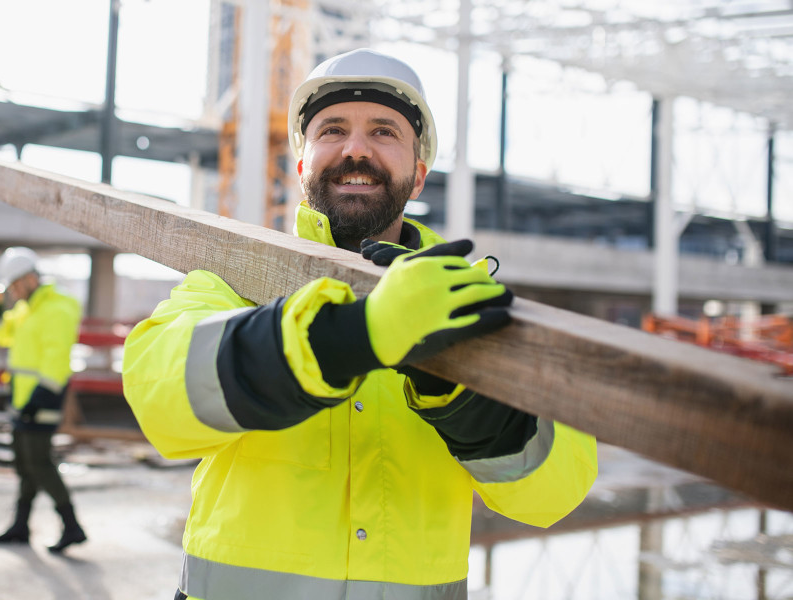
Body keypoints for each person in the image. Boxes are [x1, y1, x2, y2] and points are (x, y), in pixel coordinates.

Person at [123, 48, 597, 600]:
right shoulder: (234, 281)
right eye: (332, 130)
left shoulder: (469, 306)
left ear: (418, 175)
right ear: (301, 166)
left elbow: (551, 493)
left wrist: (455, 386)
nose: (355, 150)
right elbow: (161, 399)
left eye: (383, 132)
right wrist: (349, 336)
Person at [0, 246, 87, 553]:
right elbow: (3, 336)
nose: (13, 292)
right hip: (21, 400)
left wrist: (40, 398)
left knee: (40, 464)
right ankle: (20, 526)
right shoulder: (26, 309)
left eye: (15, 285)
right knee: (25, 464)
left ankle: (72, 526)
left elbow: (57, 358)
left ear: (30, 279)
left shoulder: (57, 307)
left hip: (42, 400)